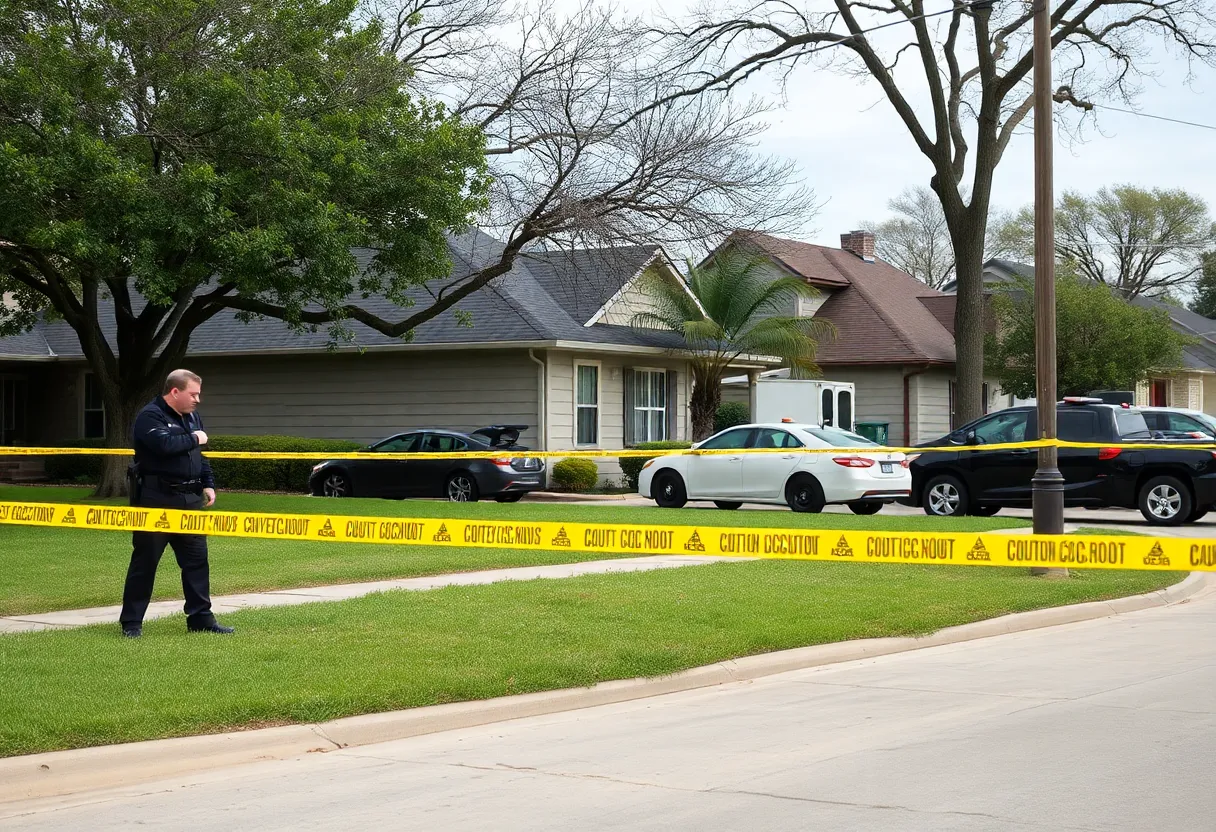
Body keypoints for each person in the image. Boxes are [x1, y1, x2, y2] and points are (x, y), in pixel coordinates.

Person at [119, 369, 233, 638]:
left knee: (196, 561)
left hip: (190, 499)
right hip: (156, 499)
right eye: (193, 394)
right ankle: (131, 623)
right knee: (145, 562)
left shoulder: (192, 416)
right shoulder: (150, 416)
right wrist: (195, 437)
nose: (197, 400)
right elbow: (164, 445)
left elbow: (199, 455)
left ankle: (201, 618)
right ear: (174, 392)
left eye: (198, 394)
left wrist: (208, 482)